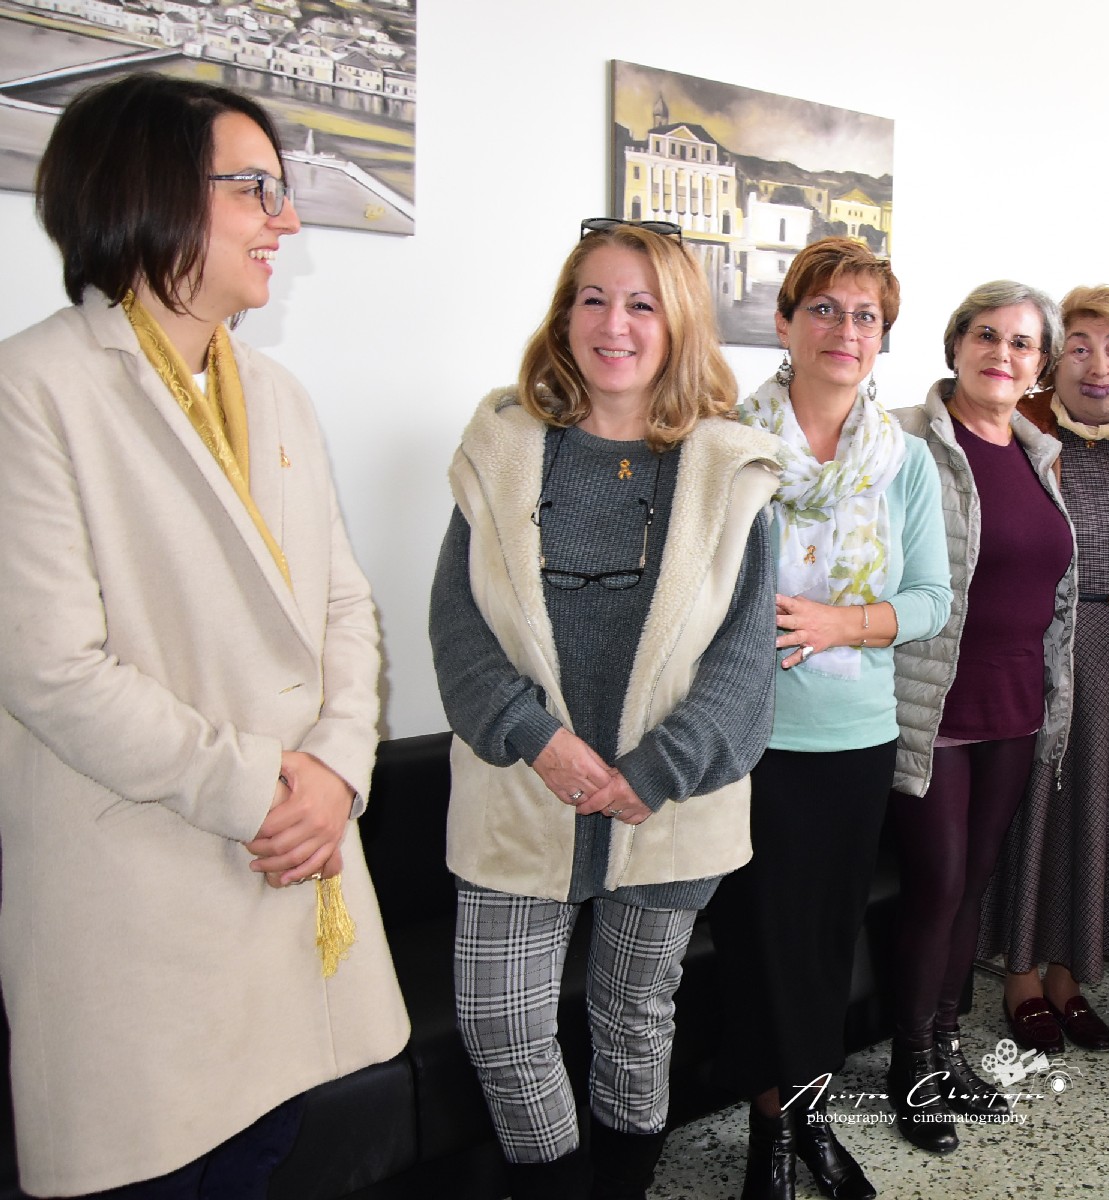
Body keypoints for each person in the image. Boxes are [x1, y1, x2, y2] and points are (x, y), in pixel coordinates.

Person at [0, 74, 409, 1198]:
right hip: (144, 897)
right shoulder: (32, 390)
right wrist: (261, 790)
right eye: (256, 190)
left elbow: (342, 608)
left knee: (259, 1157)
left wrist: (338, 767)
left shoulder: (275, 393)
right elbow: (50, 668)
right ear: (151, 192)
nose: (287, 221)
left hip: (281, 886)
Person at [428, 218, 780, 1199]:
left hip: (668, 806)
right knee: (501, 1026)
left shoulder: (730, 470)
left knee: (633, 1025)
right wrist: (536, 738)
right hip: (518, 790)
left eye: (641, 304)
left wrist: (653, 770)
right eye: (593, 298)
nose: (612, 324)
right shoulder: (498, 451)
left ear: (679, 326)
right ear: (563, 317)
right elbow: (457, 626)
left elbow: (745, 660)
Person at [708, 238, 950, 1200]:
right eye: (823, 309)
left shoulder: (905, 462)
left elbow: (930, 600)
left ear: (881, 338)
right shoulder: (727, 445)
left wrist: (839, 622)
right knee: (757, 943)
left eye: (865, 317)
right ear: (783, 322)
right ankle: (770, 1132)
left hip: (853, 737)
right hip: (744, 737)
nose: (844, 330)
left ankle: (807, 1123)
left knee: (824, 942)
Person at [886, 281, 1075, 1153]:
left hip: (1015, 703)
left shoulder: (1039, 454)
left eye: (1022, 343)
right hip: (933, 702)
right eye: (986, 335)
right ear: (955, 345)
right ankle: (910, 1066)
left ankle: (947, 1045)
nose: (1002, 353)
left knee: (973, 885)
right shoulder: (904, 440)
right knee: (936, 884)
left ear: (1039, 365)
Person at [979, 285, 1109, 1055]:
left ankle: (1070, 976)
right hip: (1050, 652)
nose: (1098, 365)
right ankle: (1021, 978)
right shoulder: (1020, 436)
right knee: (1041, 814)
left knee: (1107, 815)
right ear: (1050, 362)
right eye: (1078, 347)